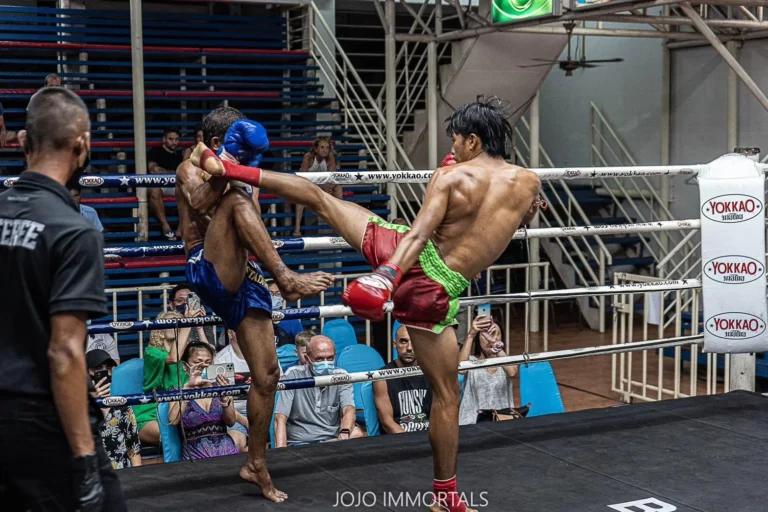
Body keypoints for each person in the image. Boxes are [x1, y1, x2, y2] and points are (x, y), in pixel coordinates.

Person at [191, 96, 544, 512]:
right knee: (446, 396)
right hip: (440, 290)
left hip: (405, 260)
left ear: (472, 139)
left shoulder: (451, 178)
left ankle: (231, 169)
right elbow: (518, 222)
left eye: (456, 140)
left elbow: (417, 235)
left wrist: (386, 275)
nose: (453, 148)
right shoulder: (529, 183)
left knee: (322, 200)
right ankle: (446, 496)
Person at [177, 106, 333, 502]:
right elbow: (198, 203)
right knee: (235, 201)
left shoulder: (246, 171)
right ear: (219, 143)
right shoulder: (191, 163)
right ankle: (288, 278)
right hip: (205, 267)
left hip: (243, 275)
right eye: (234, 147)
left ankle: (256, 463)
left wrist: (241, 172)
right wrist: (227, 166)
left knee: (267, 375)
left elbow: (253, 223)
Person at [0, 87, 126, 510]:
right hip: (42, 417)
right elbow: (66, 352)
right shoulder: (74, 230)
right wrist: (86, 459)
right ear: (83, 144)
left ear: (21, 141)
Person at [274, 335, 363, 447]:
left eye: (330, 358)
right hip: (300, 442)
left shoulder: (342, 376)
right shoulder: (293, 375)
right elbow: (280, 419)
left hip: (333, 439)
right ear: (307, 359)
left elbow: (349, 410)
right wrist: (282, 453)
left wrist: (344, 433)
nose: (325, 363)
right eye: (319, 359)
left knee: (357, 433)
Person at [168, 342, 239, 460]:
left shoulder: (221, 387)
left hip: (227, 451)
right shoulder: (177, 392)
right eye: (197, 362)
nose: (203, 367)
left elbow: (231, 422)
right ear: (185, 366)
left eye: (207, 363)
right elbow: (173, 420)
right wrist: (187, 391)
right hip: (196, 455)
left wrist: (225, 397)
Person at [133, 310, 193, 447]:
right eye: (171, 322)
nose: (175, 325)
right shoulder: (152, 353)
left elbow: (207, 357)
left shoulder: (186, 359)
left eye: (178, 322)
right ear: (160, 330)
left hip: (179, 412)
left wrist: (199, 329)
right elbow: (173, 357)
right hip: (151, 413)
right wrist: (187, 324)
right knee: (171, 435)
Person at [86, 349, 142, 469]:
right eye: (98, 368)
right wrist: (93, 403)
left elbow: (134, 451)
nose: (105, 372)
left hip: (121, 476)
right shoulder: (80, 409)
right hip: (92, 475)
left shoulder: (123, 408)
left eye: (108, 368)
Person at [458, 315, 518, 425]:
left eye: (496, 334)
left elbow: (512, 372)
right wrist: (471, 334)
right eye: (486, 335)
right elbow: (461, 369)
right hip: (471, 423)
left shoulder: (505, 360)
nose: (490, 339)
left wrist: (495, 344)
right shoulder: (471, 361)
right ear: (478, 338)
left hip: (502, 422)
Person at [374, 322, 432, 434]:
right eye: (403, 341)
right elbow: (387, 422)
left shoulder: (431, 373)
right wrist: (409, 442)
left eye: (414, 342)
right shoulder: (382, 377)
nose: (409, 348)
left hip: (428, 438)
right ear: (395, 344)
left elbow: (440, 415)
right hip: (398, 440)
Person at [213, 329, 251, 452]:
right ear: (230, 334)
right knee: (235, 443)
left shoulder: (261, 353)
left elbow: (278, 386)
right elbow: (221, 401)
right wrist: (245, 421)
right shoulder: (221, 360)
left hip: (263, 411)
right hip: (237, 415)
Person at [293, 136, 340, 237]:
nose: (325, 150)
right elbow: (302, 179)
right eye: (322, 147)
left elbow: (333, 176)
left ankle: (339, 227)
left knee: (338, 188)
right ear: (316, 148)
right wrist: (321, 186)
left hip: (322, 184)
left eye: (327, 147)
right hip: (308, 184)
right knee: (300, 197)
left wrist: (329, 187)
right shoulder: (308, 157)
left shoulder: (330, 157)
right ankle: (297, 229)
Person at [148, 127, 183, 240]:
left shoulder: (179, 156)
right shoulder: (155, 151)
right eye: (171, 139)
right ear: (164, 139)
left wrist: (165, 171)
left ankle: (181, 228)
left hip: (175, 186)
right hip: (161, 186)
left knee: (189, 189)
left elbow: (183, 174)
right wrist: (174, 173)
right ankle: (166, 226)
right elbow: (154, 170)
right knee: (154, 189)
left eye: (176, 139)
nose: (174, 142)